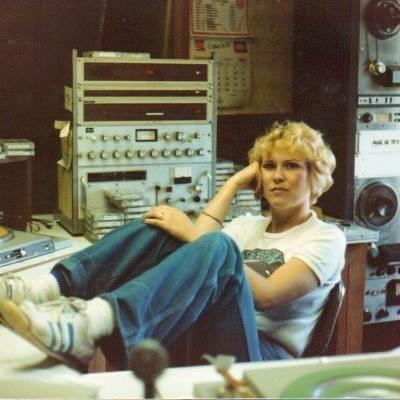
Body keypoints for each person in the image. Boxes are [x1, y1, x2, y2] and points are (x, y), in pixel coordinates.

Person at [0, 121, 346, 371]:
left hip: (261, 358)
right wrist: (235, 183)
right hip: (208, 336)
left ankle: (91, 323)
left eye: (291, 166)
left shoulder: (326, 237)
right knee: (162, 229)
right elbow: (196, 238)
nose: (277, 176)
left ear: (314, 177)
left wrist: (195, 234)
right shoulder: (247, 225)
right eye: (269, 167)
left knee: (215, 246)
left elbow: (268, 295)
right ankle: (44, 290)